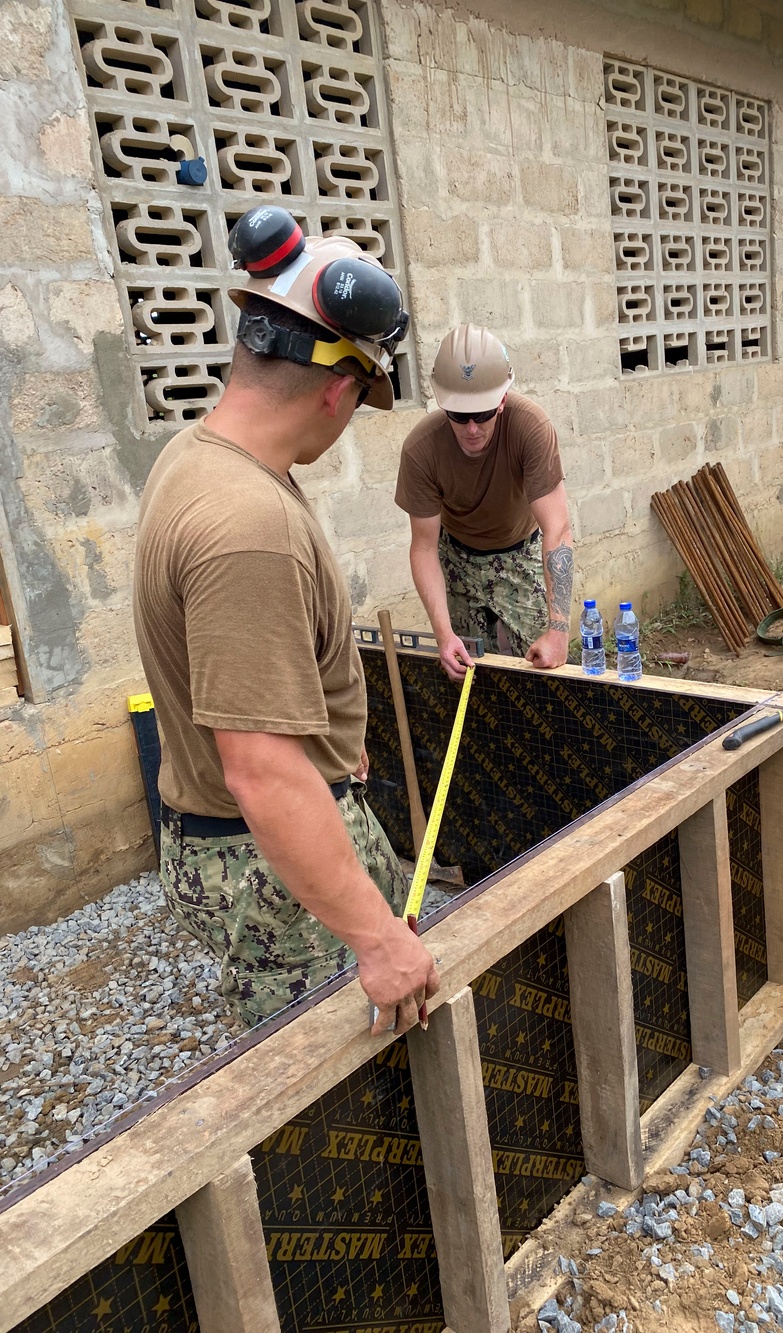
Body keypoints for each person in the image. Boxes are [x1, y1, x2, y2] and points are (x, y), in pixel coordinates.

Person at [133, 205, 439, 1036]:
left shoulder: (195, 458)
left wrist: (335, 741)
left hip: (237, 838)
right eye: (359, 401)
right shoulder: (250, 527)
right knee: (321, 1083)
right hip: (265, 862)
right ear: (340, 387)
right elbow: (263, 771)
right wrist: (377, 938)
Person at [394, 325, 574, 682]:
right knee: (470, 672)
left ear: (502, 400)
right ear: (443, 404)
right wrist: (443, 635)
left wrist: (559, 629)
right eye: (460, 416)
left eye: (484, 414)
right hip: (458, 556)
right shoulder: (421, 450)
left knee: (543, 671)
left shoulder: (530, 428)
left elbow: (558, 529)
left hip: (522, 553)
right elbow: (424, 547)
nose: (472, 428)